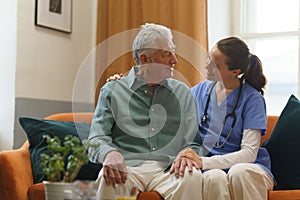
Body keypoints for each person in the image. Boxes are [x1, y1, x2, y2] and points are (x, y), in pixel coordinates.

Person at [88, 23, 202, 200]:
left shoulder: (182, 92)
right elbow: (96, 138)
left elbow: (194, 141)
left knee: (192, 176)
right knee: (107, 176)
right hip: (128, 167)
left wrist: (188, 153)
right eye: (166, 54)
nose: (175, 60)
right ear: (145, 59)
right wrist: (109, 154)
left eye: (173, 51)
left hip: (170, 169)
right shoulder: (112, 91)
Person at [170, 36, 275, 200]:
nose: (206, 66)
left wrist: (203, 162)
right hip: (210, 168)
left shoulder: (252, 99)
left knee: (239, 172)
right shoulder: (198, 92)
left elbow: (249, 154)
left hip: (248, 167)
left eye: (215, 65)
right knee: (213, 177)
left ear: (235, 72)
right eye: (208, 59)